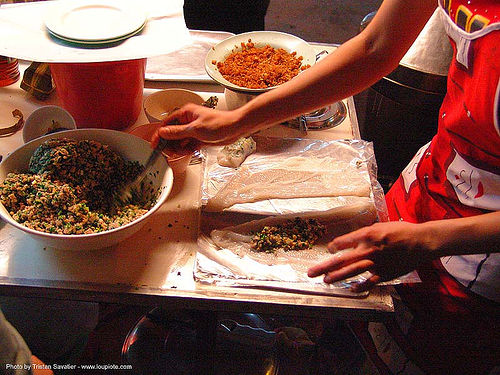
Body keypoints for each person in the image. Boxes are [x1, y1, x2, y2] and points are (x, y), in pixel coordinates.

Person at [153, 0, 499, 373]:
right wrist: (236, 122)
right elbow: (375, 45)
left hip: (477, 255)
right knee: (357, 329)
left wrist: (431, 239)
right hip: (430, 182)